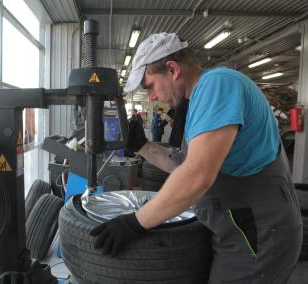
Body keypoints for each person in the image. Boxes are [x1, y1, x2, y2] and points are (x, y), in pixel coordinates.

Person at [90, 32, 302, 283]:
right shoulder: (198, 102)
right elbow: (184, 165)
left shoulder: (218, 85)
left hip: (259, 234)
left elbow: (197, 176)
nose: (152, 97)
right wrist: (143, 146)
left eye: (150, 86)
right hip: (234, 228)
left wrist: (135, 223)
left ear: (172, 69)